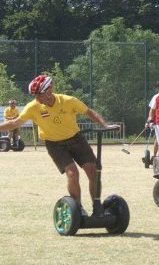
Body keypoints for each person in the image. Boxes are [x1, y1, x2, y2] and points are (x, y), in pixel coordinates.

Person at [0, 75, 117, 216]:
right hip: (54, 144)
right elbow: (15, 123)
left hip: (76, 139)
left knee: (92, 170)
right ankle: (78, 209)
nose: (36, 98)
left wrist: (105, 125)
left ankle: (97, 206)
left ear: (49, 90)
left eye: (39, 94)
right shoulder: (33, 107)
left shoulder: (68, 101)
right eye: (34, 95)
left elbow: (88, 112)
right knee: (73, 174)